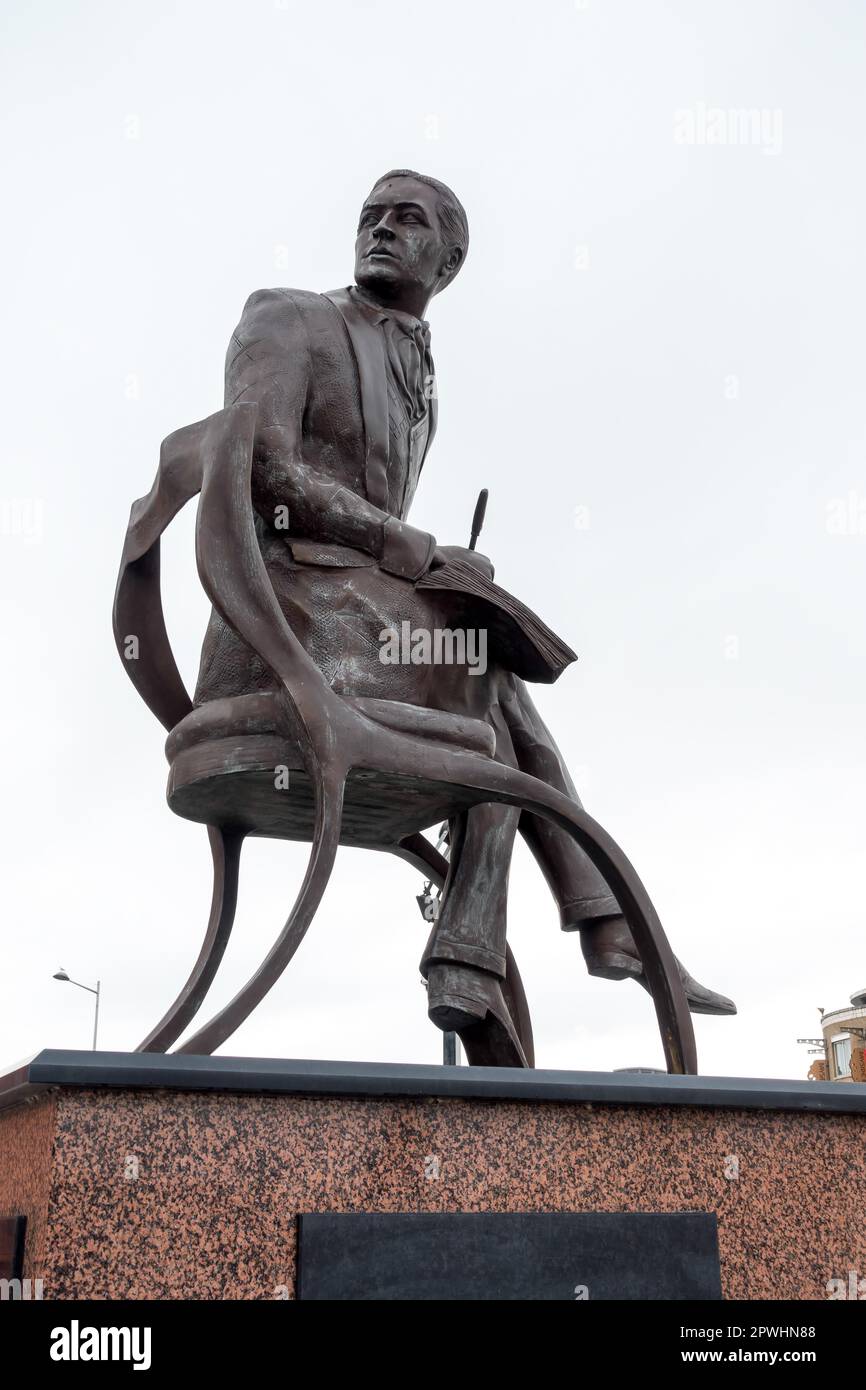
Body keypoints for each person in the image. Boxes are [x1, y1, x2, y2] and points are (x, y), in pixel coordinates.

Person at [194, 168, 733, 1064]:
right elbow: (262, 474)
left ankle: (520, 950)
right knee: (488, 679)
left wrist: (437, 567)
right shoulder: (286, 317)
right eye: (370, 216)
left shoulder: (422, 375)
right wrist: (416, 547)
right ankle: (548, 940)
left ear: (449, 261)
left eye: (407, 221)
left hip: (360, 626)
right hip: (279, 623)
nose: (380, 230)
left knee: (494, 686)